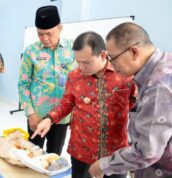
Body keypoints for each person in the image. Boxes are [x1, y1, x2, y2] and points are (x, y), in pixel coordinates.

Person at [32, 31, 136, 178]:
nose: (81, 67)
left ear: (102, 55)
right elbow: (66, 104)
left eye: (86, 62)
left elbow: (136, 105)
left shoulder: (124, 75)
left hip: (115, 153)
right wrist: (49, 119)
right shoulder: (74, 76)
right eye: (78, 61)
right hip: (82, 150)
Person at [88, 22, 172, 178]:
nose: (111, 65)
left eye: (113, 58)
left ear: (134, 52)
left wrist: (103, 166)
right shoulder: (164, 63)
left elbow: (148, 151)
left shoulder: (157, 85)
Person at [17, 5, 77, 155]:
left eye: (49, 33)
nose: (44, 38)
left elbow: (79, 82)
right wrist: (30, 113)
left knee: (53, 156)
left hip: (62, 117)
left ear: (60, 28)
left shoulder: (73, 48)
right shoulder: (31, 51)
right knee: (32, 154)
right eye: (40, 34)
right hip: (37, 115)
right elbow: (23, 85)